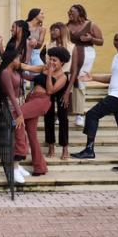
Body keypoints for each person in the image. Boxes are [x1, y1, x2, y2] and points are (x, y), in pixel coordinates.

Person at [71, 32, 118, 172]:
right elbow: (113, 77)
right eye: (116, 39)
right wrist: (92, 77)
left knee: (92, 114)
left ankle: (89, 150)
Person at [20, 47, 71, 176]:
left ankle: (20, 151)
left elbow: (50, 90)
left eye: (55, 60)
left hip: (41, 101)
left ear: (62, 63)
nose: (51, 62)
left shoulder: (62, 77)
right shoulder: (44, 68)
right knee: (32, 134)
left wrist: (49, 74)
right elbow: (28, 69)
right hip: (31, 98)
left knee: (15, 114)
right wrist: (16, 70)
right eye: (50, 59)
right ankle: (40, 167)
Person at [64, 4, 103, 127]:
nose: (69, 13)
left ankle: (79, 114)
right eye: (69, 12)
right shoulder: (67, 26)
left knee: (80, 81)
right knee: (68, 80)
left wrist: (91, 39)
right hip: (70, 54)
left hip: (86, 54)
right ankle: (65, 112)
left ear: (80, 12)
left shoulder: (91, 25)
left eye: (72, 12)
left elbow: (101, 41)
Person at [44, 22, 75, 159]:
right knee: (48, 115)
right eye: (51, 30)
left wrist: (68, 91)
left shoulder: (72, 47)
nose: (52, 33)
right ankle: (51, 145)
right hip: (50, 79)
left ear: (62, 31)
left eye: (55, 30)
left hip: (64, 80)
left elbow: (74, 71)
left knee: (63, 116)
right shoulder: (49, 46)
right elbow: (46, 62)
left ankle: (65, 147)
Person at [0, 50, 29, 183]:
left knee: (21, 135)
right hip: (13, 107)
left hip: (19, 105)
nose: (19, 62)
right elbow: (11, 95)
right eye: (18, 59)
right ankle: (14, 168)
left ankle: (18, 165)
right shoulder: (6, 72)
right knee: (17, 136)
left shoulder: (16, 71)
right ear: (12, 59)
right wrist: (20, 113)